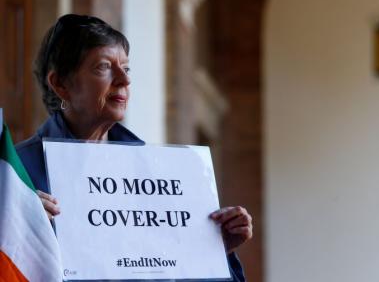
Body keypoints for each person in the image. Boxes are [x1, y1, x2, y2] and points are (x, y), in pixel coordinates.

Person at [16, 14, 252, 281]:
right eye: (104, 67)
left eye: (126, 69)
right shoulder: (15, 174)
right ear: (60, 84)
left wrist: (215, 250)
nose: (124, 81)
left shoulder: (156, 170)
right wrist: (15, 231)